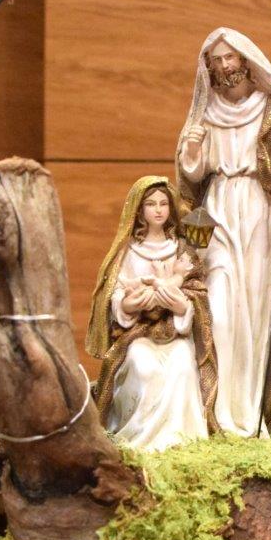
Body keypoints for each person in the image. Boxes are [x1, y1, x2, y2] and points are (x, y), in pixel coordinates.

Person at [176, 28, 271, 437]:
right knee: (218, 307)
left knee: (256, 306)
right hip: (217, 209)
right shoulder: (204, 113)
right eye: (217, 60)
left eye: (230, 57)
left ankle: (249, 412)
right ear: (209, 68)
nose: (225, 66)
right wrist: (191, 152)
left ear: (244, 59)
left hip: (259, 211)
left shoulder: (270, 108)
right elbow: (192, 180)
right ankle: (216, 410)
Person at [86, 175, 217, 451]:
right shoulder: (129, 252)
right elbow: (116, 294)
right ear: (139, 210)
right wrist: (129, 305)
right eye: (150, 204)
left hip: (174, 334)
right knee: (144, 368)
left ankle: (181, 437)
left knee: (183, 366)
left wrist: (181, 307)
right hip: (138, 335)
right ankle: (140, 437)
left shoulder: (181, 249)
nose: (158, 210)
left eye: (163, 204)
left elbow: (196, 293)